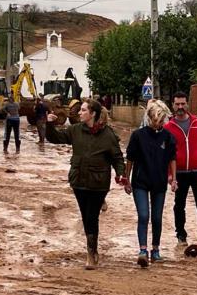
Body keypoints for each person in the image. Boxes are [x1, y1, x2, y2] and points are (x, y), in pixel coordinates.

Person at [46, 100, 125, 270]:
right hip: (79, 181)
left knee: (92, 216)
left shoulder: (107, 134)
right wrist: (50, 124)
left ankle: (92, 252)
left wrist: (121, 174)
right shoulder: (75, 130)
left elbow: (117, 157)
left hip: (98, 183)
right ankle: (92, 249)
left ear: (93, 113)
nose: (79, 113)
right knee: (85, 215)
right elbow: (55, 138)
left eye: (83, 110)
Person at [124, 100, 177, 267]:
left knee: (157, 217)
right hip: (140, 181)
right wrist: (126, 179)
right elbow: (130, 159)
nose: (158, 124)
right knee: (144, 215)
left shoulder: (168, 137)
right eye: (155, 120)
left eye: (161, 121)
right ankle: (142, 250)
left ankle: (155, 249)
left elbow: (172, 158)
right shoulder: (138, 136)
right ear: (149, 118)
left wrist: (174, 179)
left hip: (160, 182)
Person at [164, 91, 197, 247]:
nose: (180, 107)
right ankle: (181, 235)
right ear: (172, 105)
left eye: (183, 104)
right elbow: (166, 153)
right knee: (179, 204)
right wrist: (169, 175)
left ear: (187, 104)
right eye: (177, 104)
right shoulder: (168, 127)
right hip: (178, 172)